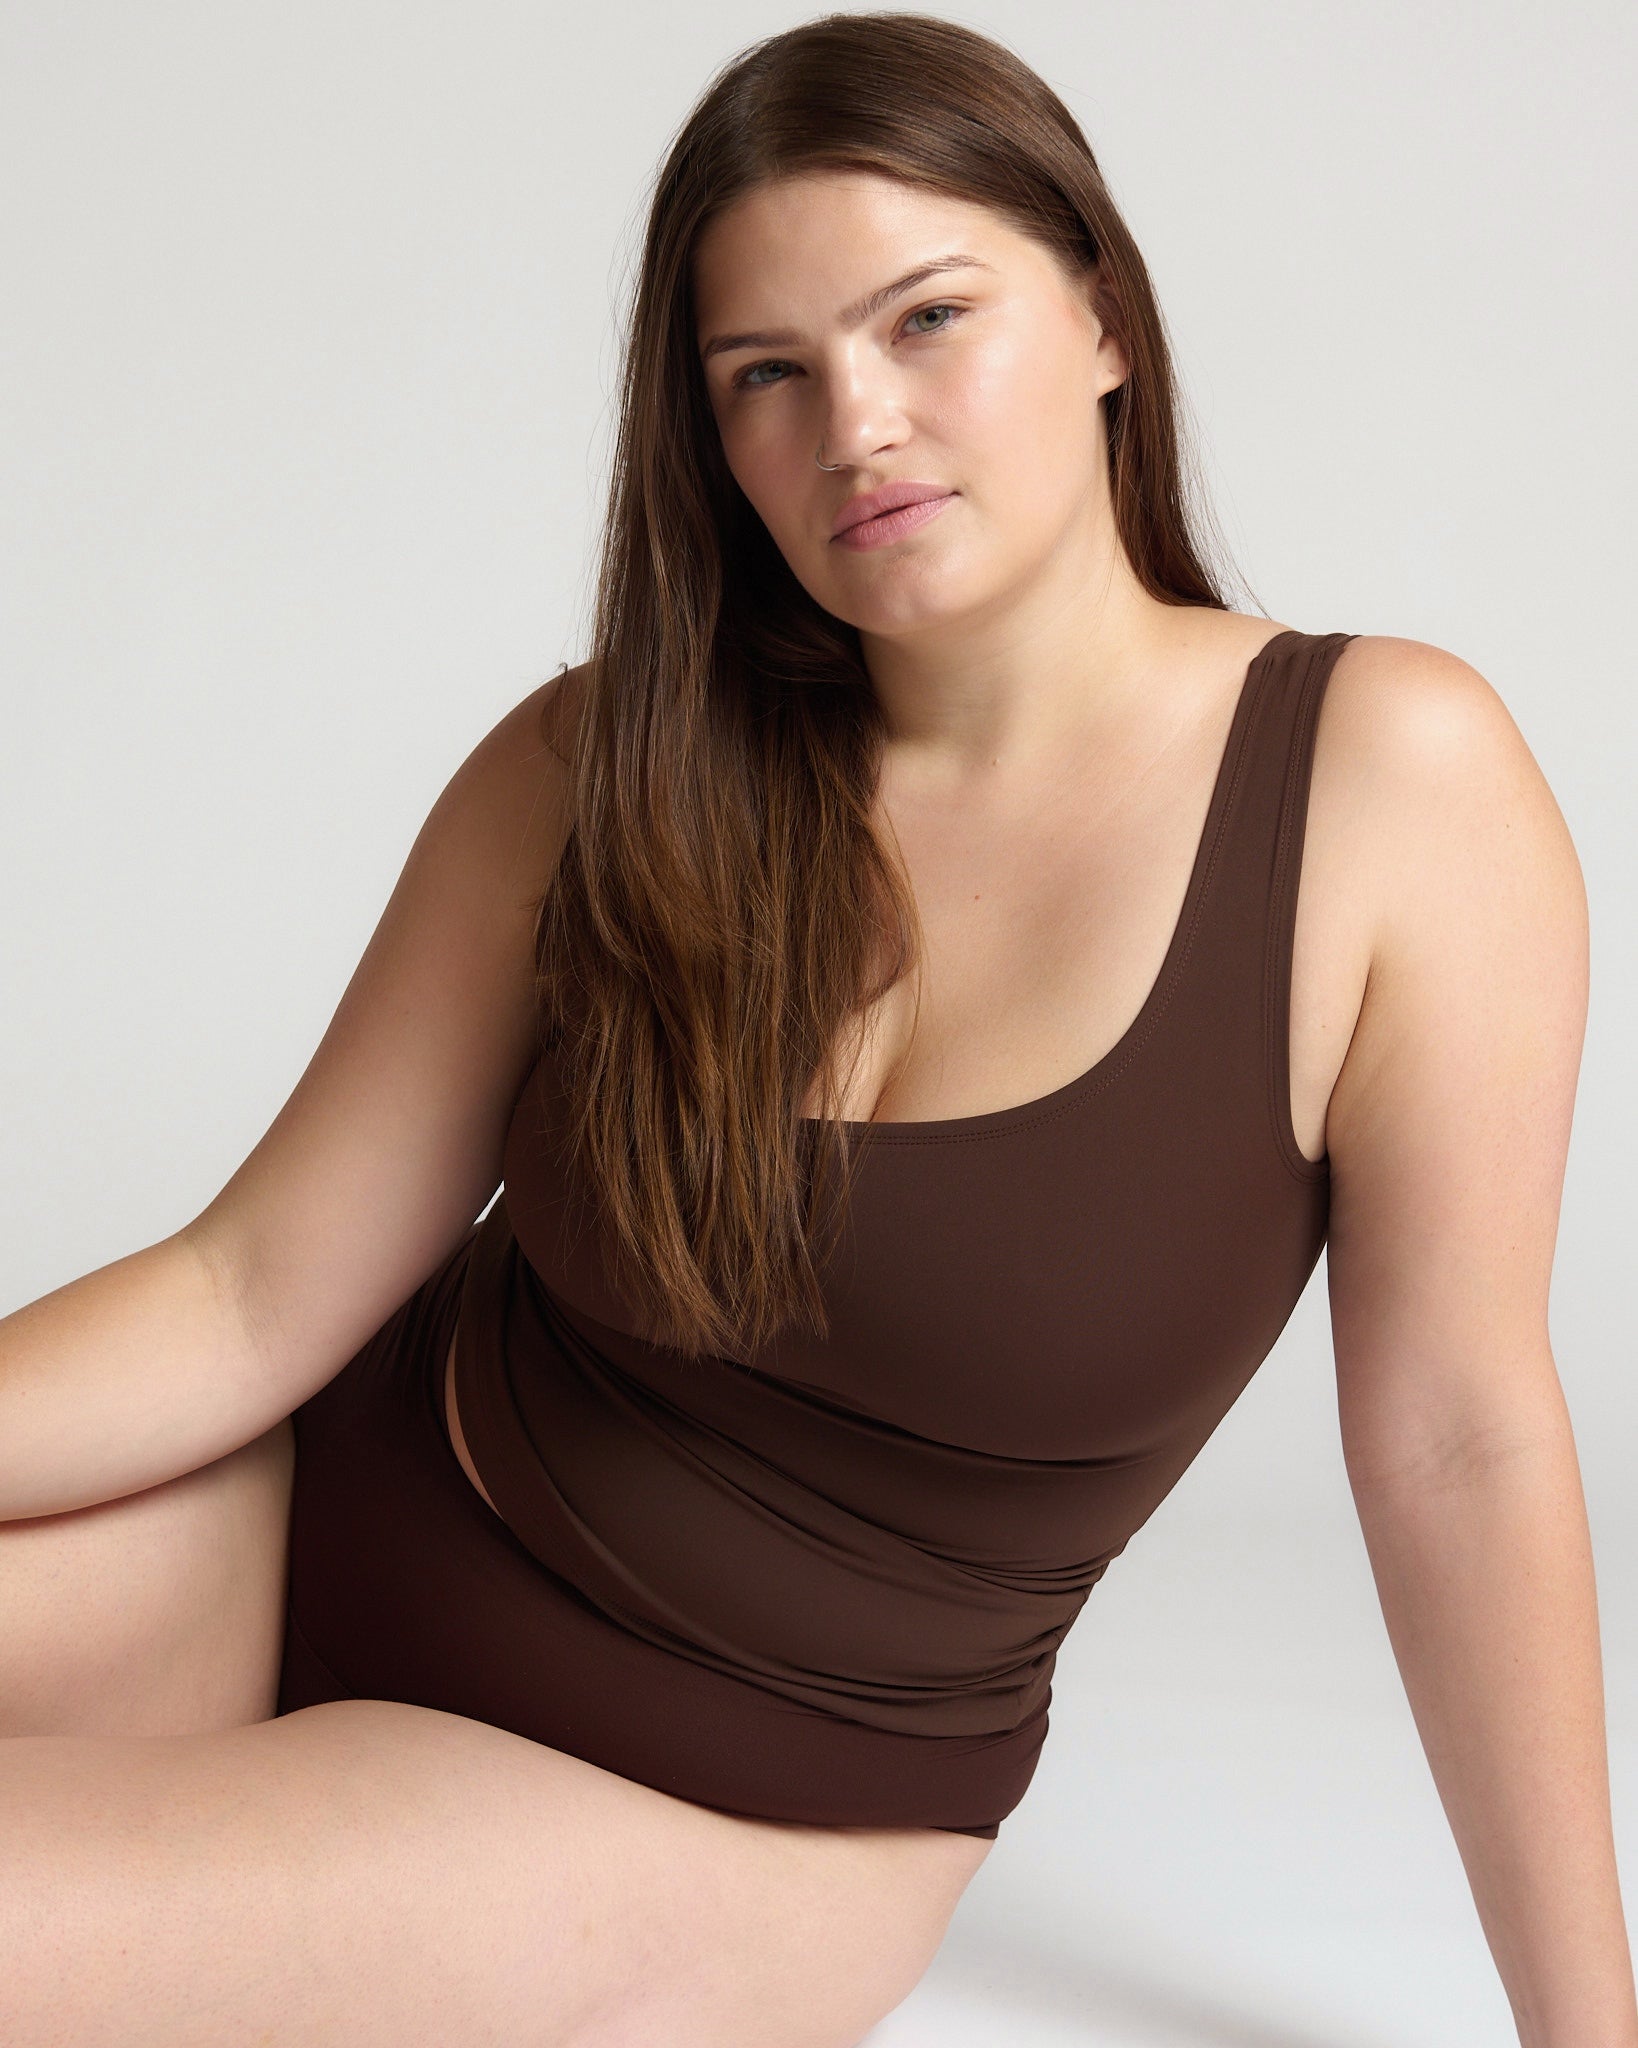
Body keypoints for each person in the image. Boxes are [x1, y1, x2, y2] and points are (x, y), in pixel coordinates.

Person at [2, 13, 1631, 2047]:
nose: (854, 423)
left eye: (927, 318)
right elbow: (250, 1296)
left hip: (717, 1797)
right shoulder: (610, 759)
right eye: (765, 376)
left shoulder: (1394, 784)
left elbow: (1459, 1439)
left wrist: (1592, 2031)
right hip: (320, 1522)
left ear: (1106, 316)